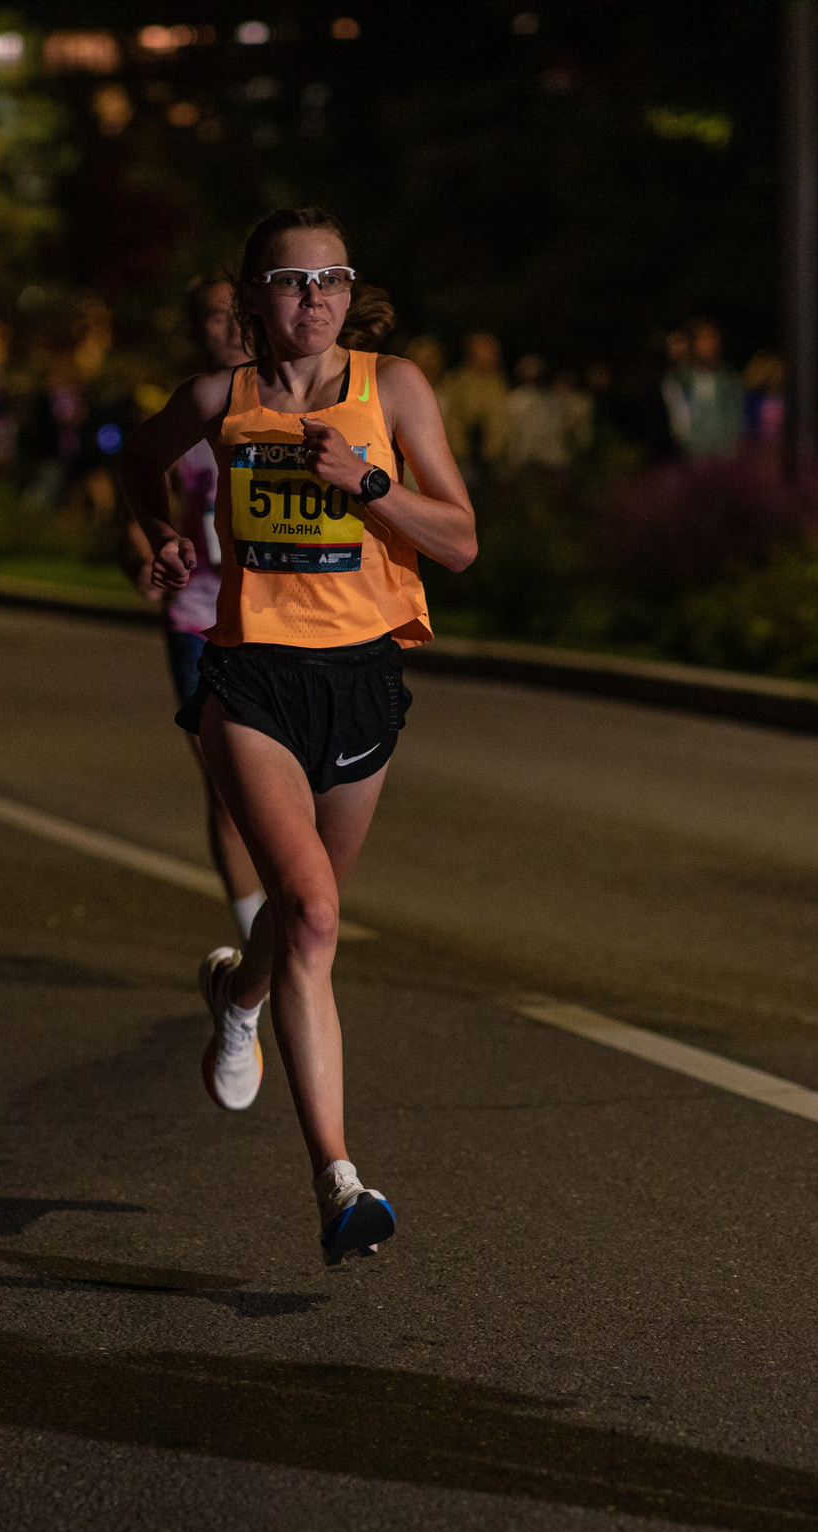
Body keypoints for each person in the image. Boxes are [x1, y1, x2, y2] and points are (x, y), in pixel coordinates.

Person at [120, 207, 477, 1266]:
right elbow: (138, 465)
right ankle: (338, 1181)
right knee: (314, 917)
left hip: (364, 679)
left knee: (300, 913)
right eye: (288, 281)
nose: (312, 298)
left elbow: (457, 542)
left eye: (330, 279)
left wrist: (367, 486)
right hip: (253, 681)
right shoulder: (215, 402)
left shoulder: (392, 389)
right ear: (251, 297)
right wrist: (159, 535)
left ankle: (236, 994)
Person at [123, 278, 264, 942]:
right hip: (199, 622)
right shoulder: (188, 411)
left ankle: (282, 923)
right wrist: (150, 549)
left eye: (242, 314)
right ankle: (255, 941)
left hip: (281, 623)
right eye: (216, 316)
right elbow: (139, 500)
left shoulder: (292, 403)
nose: (233, 327)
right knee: (229, 791)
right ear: (197, 329)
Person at [435, 331, 512, 481]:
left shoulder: (498, 383)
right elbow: (454, 419)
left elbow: (503, 420)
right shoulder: (458, 381)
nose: (492, 355)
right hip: (463, 461)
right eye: (486, 349)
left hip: (494, 461)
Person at [664, 319, 743, 460]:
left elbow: (735, 417)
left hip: (725, 457)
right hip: (692, 456)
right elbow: (678, 421)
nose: (710, 344)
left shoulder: (727, 378)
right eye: (704, 338)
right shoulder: (679, 380)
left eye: (713, 338)